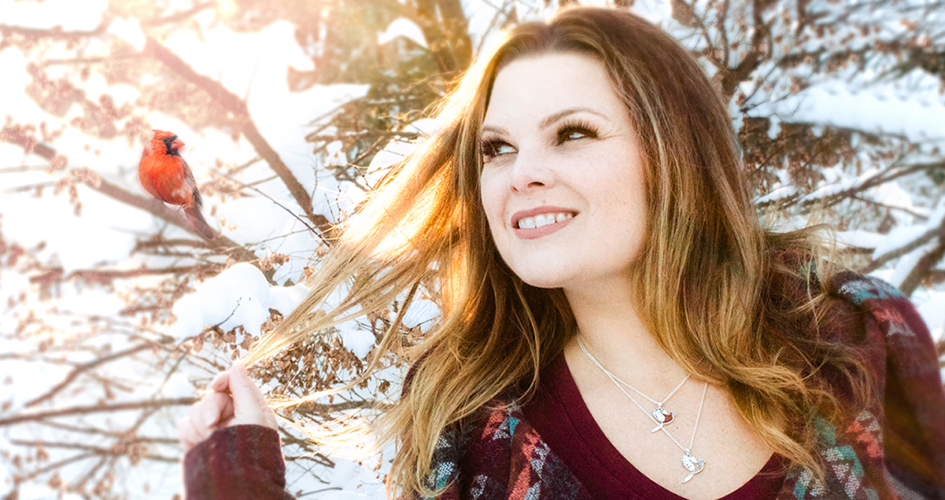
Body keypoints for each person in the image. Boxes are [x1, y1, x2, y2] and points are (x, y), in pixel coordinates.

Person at [177, 6, 945, 500]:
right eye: (496, 149)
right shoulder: (475, 429)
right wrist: (235, 484)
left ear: (672, 153)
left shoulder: (854, 333)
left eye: (572, 133)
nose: (522, 172)